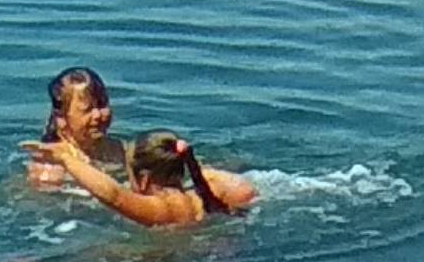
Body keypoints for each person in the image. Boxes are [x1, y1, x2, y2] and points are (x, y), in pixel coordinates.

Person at [27, 65, 254, 213]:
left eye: (103, 104)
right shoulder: (50, 170)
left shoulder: (120, 149)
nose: (99, 115)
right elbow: (43, 216)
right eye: (87, 109)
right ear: (61, 118)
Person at [41, 126, 240, 227]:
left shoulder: (161, 209)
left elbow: (113, 194)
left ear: (143, 179)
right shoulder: (202, 198)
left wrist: (65, 159)